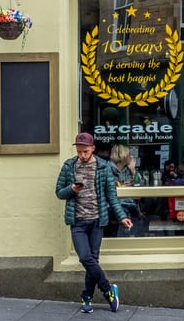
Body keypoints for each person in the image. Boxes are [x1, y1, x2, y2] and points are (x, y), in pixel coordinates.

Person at [55, 132, 133, 314]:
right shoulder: (69, 166)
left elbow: (112, 197)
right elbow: (59, 192)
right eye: (79, 151)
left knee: (93, 260)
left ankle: (87, 297)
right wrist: (71, 189)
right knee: (85, 258)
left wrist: (122, 217)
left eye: (86, 151)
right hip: (78, 222)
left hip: (97, 221)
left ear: (93, 149)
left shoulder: (103, 167)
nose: (82, 155)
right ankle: (108, 289)